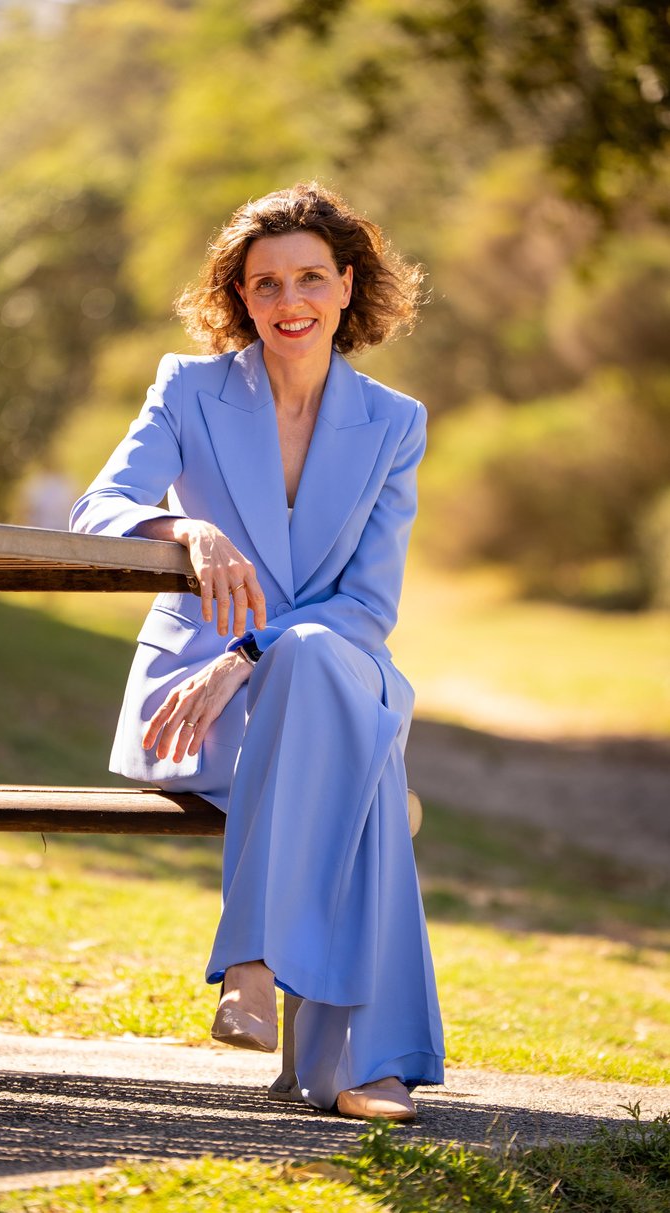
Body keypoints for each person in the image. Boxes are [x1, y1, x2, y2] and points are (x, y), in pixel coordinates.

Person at [70, 183, 445, 1121]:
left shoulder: (394, 423)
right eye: (266, 283)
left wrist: (249, 647)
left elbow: (367, 605)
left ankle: (252, 959)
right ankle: (366, 1065)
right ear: (241, 297)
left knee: (318, 659)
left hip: (287, 671)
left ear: (348, 284)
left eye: (311, 277)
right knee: (359, 768)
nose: (290, 302)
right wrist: (186, 532)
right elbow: (96, 509)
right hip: (195, 704)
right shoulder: (187, 389)